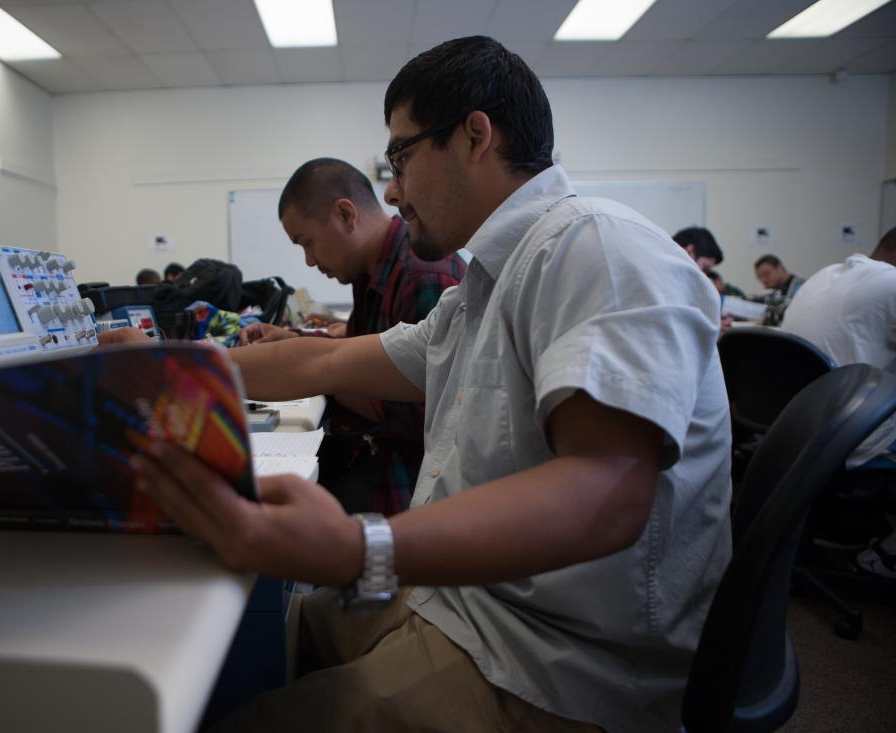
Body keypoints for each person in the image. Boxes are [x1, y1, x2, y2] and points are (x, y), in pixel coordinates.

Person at [126, 37, 731, 733]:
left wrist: (361, 547)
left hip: (555, 665)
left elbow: (609, 492)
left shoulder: (596, 247)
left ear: (475, 135)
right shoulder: (486, 287)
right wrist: (157, 365)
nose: (389, 188)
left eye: (401, 159)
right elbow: (323, 363)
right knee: (266, 630)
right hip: (476, 604)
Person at [240, 158, 465, 515]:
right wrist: (295, 340)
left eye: (307, 242)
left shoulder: (422, 275)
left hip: (411, 486)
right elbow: (367, 350)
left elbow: (426, 414)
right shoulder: (373, 269)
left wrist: (313, 367)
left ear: (346, 215)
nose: (310, 261)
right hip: (377, 457)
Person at [782, 228, 896, 579]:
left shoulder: (823, 276)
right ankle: (888, 555)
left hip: (787, 430)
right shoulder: (891, 284)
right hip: (844, 436)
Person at [752, 254, 805, 325]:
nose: (763, 280)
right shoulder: (775, 292)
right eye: (759, 277)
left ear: (780, 268)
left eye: (767, 274)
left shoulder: (801, 287)